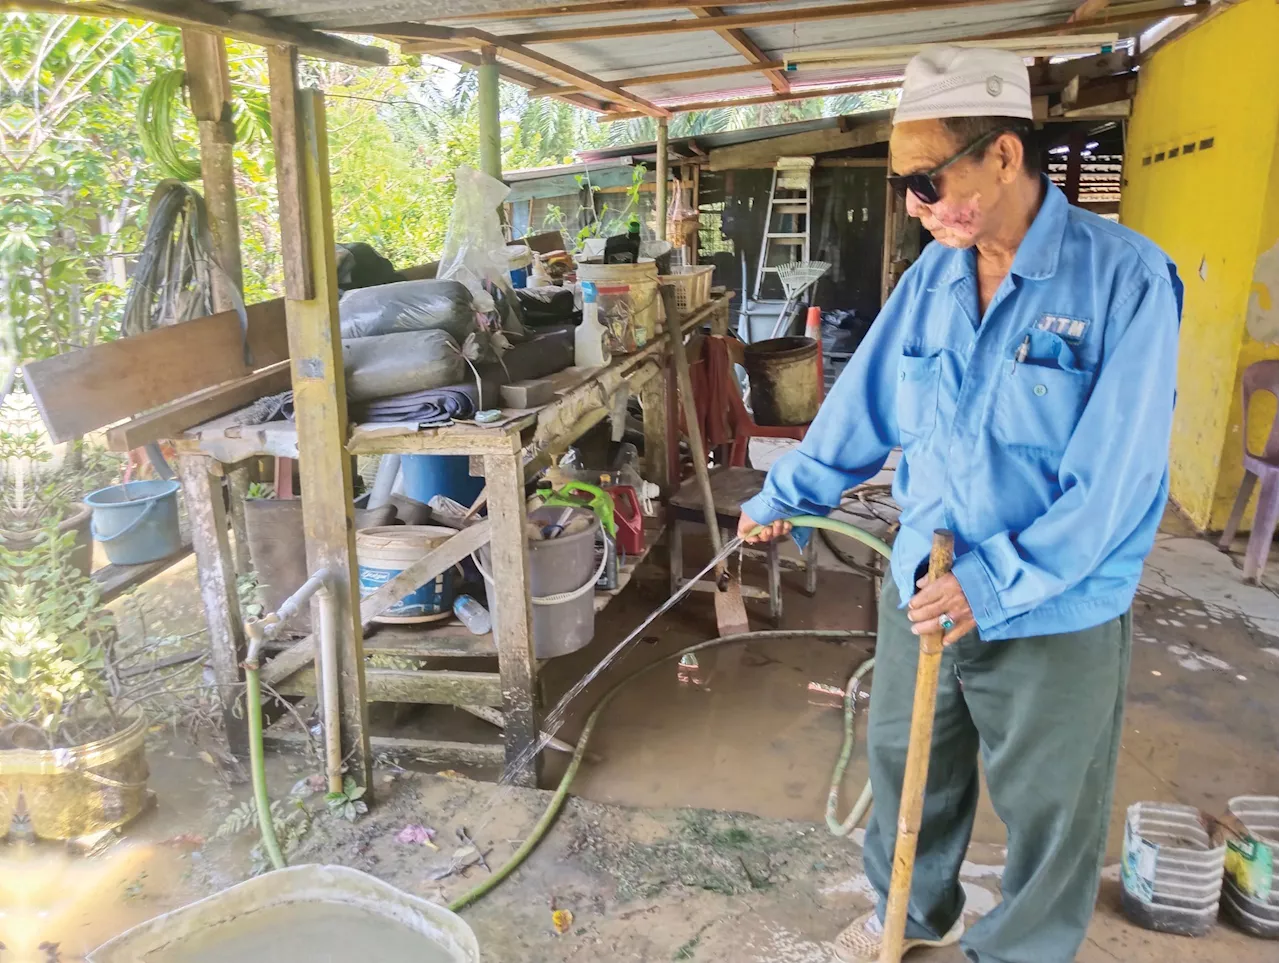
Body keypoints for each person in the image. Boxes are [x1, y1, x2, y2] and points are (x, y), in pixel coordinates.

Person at [737, 45, 1181, 963]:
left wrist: (993, 581)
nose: (914, 203)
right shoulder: (932, 280)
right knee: (909, 766)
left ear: (1005, 156)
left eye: (928, 179)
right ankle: (906, 914)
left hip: (1053, 601)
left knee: (1051, 805)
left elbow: (1116, 481)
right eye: (905, 186)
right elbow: (865, 406)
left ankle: (1018, 950)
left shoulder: (1124, 279)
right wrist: (785, 494)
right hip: (925, 583)